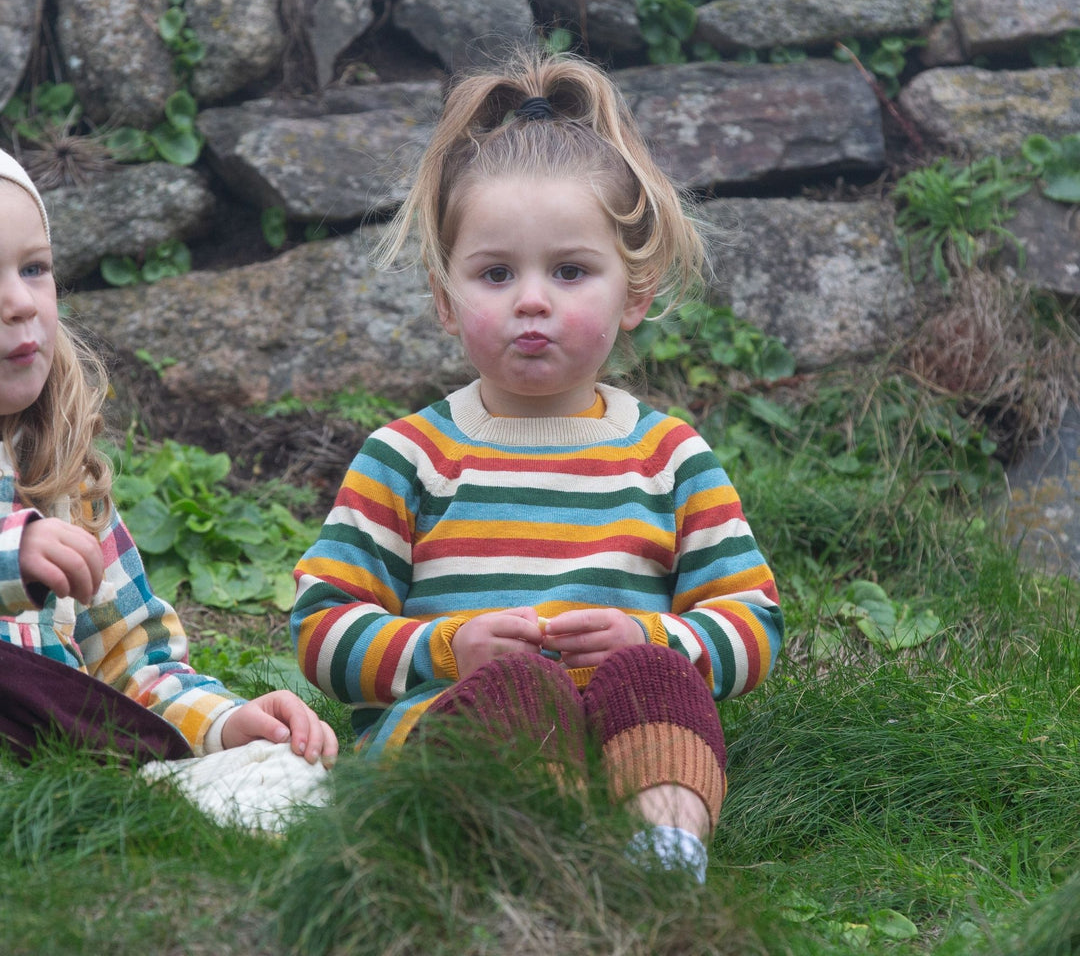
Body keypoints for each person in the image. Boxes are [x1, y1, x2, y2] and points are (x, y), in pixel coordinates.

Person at [290, 50, 782, 881]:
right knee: (520, 692)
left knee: (656, 678)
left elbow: (753, 622)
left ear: (633, 291)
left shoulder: (670, 458)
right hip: (450, 744)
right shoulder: (407, 458)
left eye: (569, 270)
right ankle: (524, 855)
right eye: (494, 273)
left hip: (626, 752)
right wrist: (448, 650)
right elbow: (322, 629)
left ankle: (662, 857)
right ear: (446, 300)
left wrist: (651, 637)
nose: (530, 299)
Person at [0, 147, 337, 767]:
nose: (19, 302)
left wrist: (226, 722)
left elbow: (130, 661)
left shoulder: (59, 475)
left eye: (34, 269)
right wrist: (10, 554)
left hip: (53, 745)